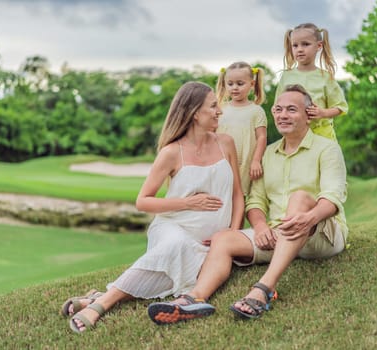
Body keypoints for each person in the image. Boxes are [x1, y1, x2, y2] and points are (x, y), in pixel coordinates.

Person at [148, 84, 348, 324]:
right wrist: (261, 227)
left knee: (300, 198)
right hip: (276, 235)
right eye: (278, 109)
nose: (283, 115)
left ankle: (263, 290)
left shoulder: (327, 149)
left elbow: (333, 197)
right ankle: (194, 299)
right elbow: (256, 200)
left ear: (309, 114)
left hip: (320, 235)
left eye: (292, 110)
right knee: (224, 238)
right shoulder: (268, 154)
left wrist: (309, 218)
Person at [62, 81, 244, 333]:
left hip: (212, 243)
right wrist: (188, 202)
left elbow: (237, 194)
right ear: (194, 113)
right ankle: (102, 304)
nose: (219, 111)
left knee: (162, 276)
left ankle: (93, 298)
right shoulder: (171, 152)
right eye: (213, 106)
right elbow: (143, 200)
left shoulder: (226, 143)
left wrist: (230, 234)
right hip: (173, 227)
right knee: (175, 246)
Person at [276, 23, 348, 141]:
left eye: (305, 44)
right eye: (295, 45)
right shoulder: (286, 76)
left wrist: (322, 113)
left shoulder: (325, 77)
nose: (299, 49)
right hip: (295, 138)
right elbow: (276, 106)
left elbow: (341, 107)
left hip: (322, 137)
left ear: (319, 46)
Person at [216, 62, 267, 198]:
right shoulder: (220, 109)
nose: (235, 88)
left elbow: (261, 137)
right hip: (221, 161)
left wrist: (256, 160)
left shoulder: (256, 110)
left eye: (240, 83)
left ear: (252, 84)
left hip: (244, 164)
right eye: (230, 84)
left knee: (239, 198)